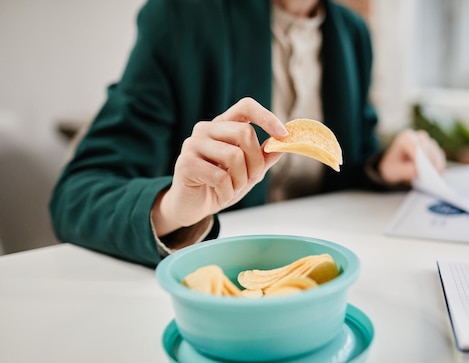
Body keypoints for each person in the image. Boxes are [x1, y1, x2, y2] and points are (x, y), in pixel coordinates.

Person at [49, 0, 446, 267]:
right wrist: (176, 208)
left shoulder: (353, 33)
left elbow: (350, 162)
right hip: (222, 277)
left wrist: (382, 166)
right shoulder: (180, 16)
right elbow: (77, 195)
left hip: (327, 270)